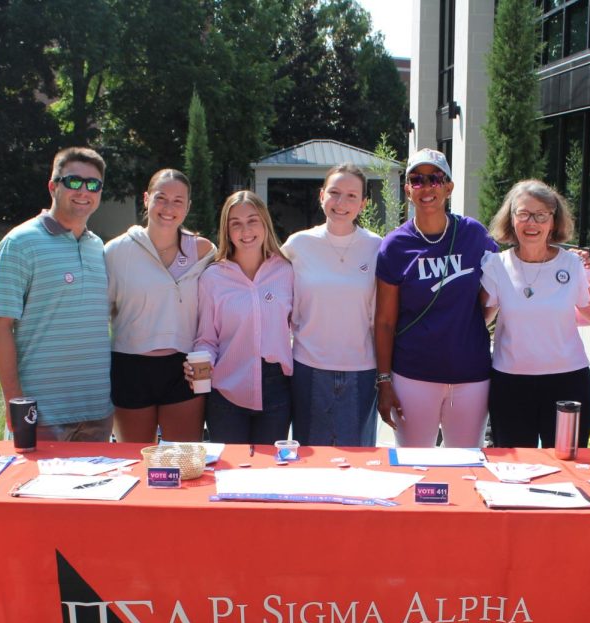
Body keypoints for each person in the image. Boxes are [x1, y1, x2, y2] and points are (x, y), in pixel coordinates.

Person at [0, 146, 113, 442]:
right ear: (53, 186)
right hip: (41, 415)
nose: (84, 190)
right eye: (73, 181)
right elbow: (0, 326)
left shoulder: (99, 248)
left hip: (98, 414)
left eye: (93, 184)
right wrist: (14, 402)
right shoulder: (19, 243)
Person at [374, 149, 498, 447]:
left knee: (466, 467)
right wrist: (383, 381)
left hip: (471, 376)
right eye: (417, 180)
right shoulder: (395, 246)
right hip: (413, 377)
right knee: (415, 467)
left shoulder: (474, 234)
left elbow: (496, 291)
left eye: (435, 179)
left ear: (449, 186)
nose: (426, 187)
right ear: (407, 190)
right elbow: (385, 321)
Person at [481, 180, 590, 448]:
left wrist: (589, 276)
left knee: (568, 470)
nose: (531, 223)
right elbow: (479, 321)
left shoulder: (573, 265)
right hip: (510, 385)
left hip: (568, 385)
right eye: (523, 214)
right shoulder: (496, 266)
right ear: (511, 219)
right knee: (514, 474)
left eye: (541, 215)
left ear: (553, 220)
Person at [105, 169, 215, 443]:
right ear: (146, 199)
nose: (169, 207)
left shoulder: (205, 252)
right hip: (130, 366)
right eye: (161, 197)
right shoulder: (116, 252)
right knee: (135, 462)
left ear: (188, 207)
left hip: (185, 368)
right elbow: (99, 315)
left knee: (185, 463)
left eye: (178, 201)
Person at [282, 164, 383, 446]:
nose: (341, 203)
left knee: (358, 461)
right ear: (321, 195)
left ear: (364, 203)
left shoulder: (377, 247)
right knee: (311, 460)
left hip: (362, 370)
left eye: (352, 196)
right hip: (308, 367)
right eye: (335, 193)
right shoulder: (297, 245)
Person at [189, 191, 293, 444]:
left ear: (265, 223)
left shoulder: (287, 271)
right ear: (227, 230)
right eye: (236, 223)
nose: (245, 230)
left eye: (252, 220)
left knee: (270, 473)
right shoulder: (212, 278)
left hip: (277, 388)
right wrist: (200, 365)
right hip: (226, 389)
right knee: (229, 475)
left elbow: (299, 326)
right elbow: (206, 339)